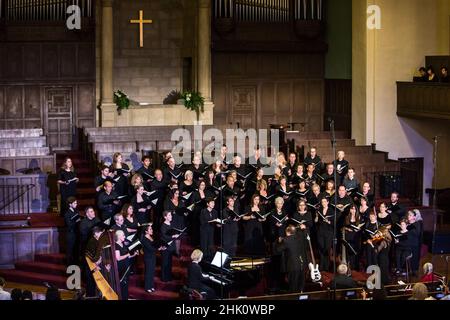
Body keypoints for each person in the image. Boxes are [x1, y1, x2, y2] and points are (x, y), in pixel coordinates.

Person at [275, 225, 308, 293]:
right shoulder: (301, 237)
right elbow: (305, 234)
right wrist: (304, 229)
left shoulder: (286, 240)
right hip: (302, 265)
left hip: (293, 266)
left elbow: (278, 250)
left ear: (287, 232)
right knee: (301, 285)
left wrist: (279, 242)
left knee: (293, 287)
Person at [141, 223, 165, 293]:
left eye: (151, 229)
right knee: (148, 272)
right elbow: (150, 248)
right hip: (148, 257)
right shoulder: (144, 239)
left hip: (153, 256)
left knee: (152, 272)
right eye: (150, 229)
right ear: (146, 231)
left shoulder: (151, 237)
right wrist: (159, 248)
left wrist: (161, 247)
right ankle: (147, 287)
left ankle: (151, 286)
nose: (152, 230)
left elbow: (155, 245)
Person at [115, 230, 138, 300]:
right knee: (122, 284)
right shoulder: (116, 245)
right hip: (121, 267)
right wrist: (128, 254)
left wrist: (134, 254)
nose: (125, 236)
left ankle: (125, 297)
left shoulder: (123, 244)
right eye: (123, 235)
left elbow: (127, 256)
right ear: (118, 237)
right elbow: (118, 258)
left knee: (126, 283)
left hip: (126, 266)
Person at [315, 197, 334, 272]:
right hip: (320, 231)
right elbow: (316, 222)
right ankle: (322, 265)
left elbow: (334, 222)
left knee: (327, 248)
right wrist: (316, 218)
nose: (323, 203)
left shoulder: (331, 210)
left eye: (325, 202)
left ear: (328, 202)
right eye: (322, 202)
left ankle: (327, 266)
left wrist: (329, 222)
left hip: (328, 232)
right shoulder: (319, 210)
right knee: (321, 248)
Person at [160, 211, 179, 282]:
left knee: (169, 263)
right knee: (165, 263)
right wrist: (173, 236)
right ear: (165, 217)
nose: (171, 216)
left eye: (171, 215)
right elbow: (164, 236)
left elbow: (172, 233)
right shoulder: (163, 226)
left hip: (171, 246)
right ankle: (164, 278)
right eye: (169, 215)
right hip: (165, 247)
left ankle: (169, 277)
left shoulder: (171, 224)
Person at [64, 197, 80, 265]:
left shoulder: (76, 211)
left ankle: (76, 264)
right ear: (70, 204)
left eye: (76, 203)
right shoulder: (67, 213)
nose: (76, 204)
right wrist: (76, 221)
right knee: (70, 251)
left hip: (76, 233)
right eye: (74, 203)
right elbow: (69, 225)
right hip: (70, 234)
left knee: (76, 250)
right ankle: (69, 266)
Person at [407, 210, 422, 276]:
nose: (408, 216)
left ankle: (414, 270)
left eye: (410, 215)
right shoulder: (407, 224)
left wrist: (409, 227)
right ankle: (408, 270)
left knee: (414, 258)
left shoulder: (416, 224)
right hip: (407, 243)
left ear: (414, 217)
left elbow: (417, 233)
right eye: (408, 215)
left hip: (414, 244)